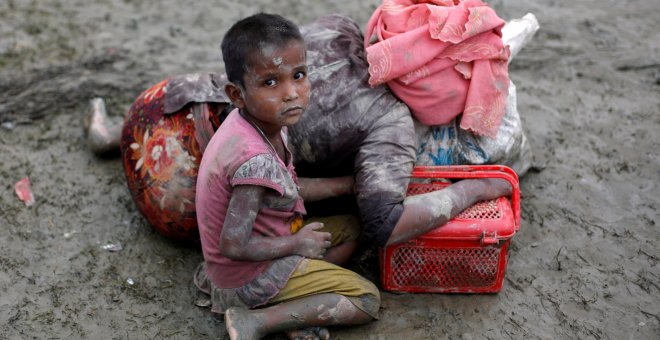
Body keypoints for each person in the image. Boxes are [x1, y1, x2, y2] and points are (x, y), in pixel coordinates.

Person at [192, 13, 380, 340]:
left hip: (266, 243)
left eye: (298, 74)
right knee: (366, 298)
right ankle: (258, 321)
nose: (291, 93)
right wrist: (296, 244)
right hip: (246, 276)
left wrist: (349, 184)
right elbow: (233, 244)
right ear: (236, 95)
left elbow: (285, 190)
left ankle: (300, 300)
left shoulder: (261, 124)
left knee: (354, 227)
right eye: (270, 82)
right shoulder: (254, 161)